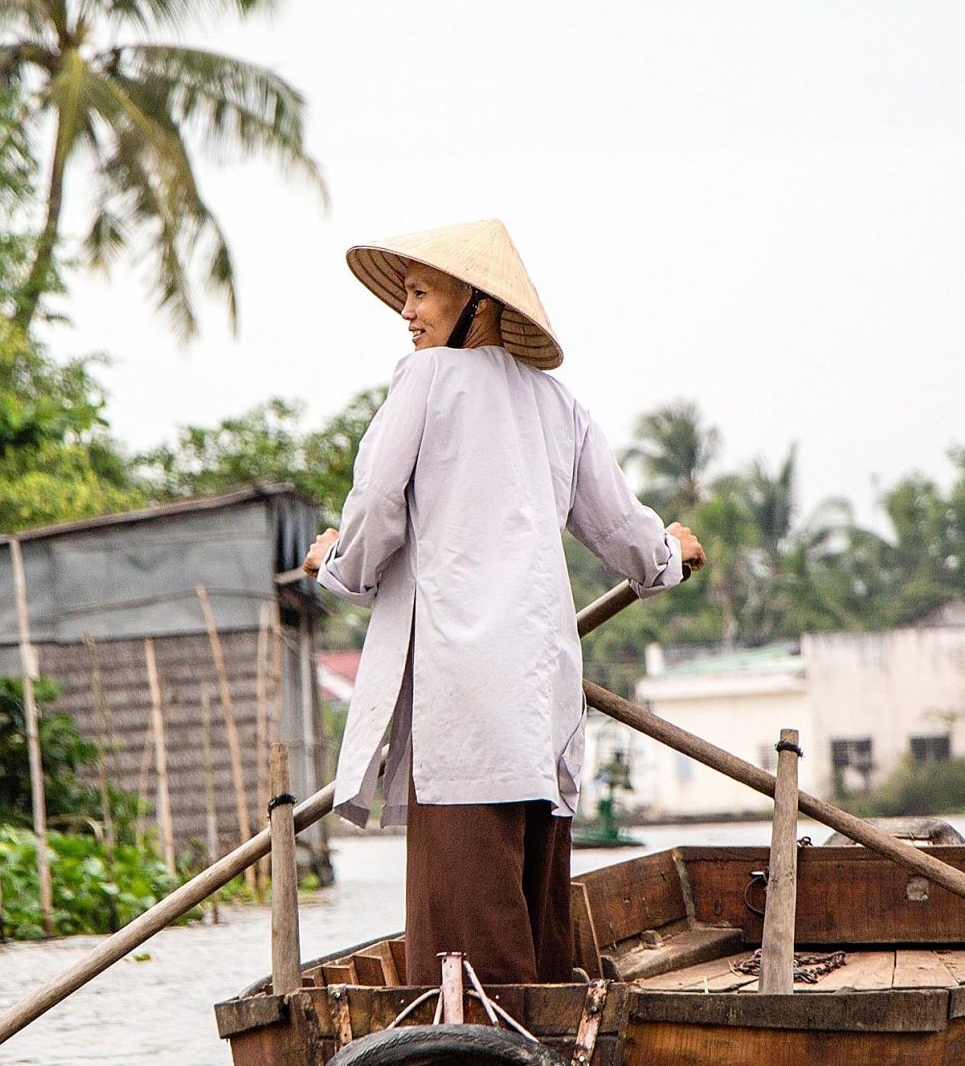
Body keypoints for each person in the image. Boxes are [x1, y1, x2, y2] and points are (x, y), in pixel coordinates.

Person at [302, 218, 705, 987]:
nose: (407, 311)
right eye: (408, 295)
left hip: (462, 705)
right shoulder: (559, 406)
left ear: (476, 303)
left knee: (467, 958)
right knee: (537, 930)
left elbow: (377, 506)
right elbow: (625, 531)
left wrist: (338, 559)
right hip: (538, 703)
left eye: (422, 293)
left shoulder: (423, 381)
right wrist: (671, 556)